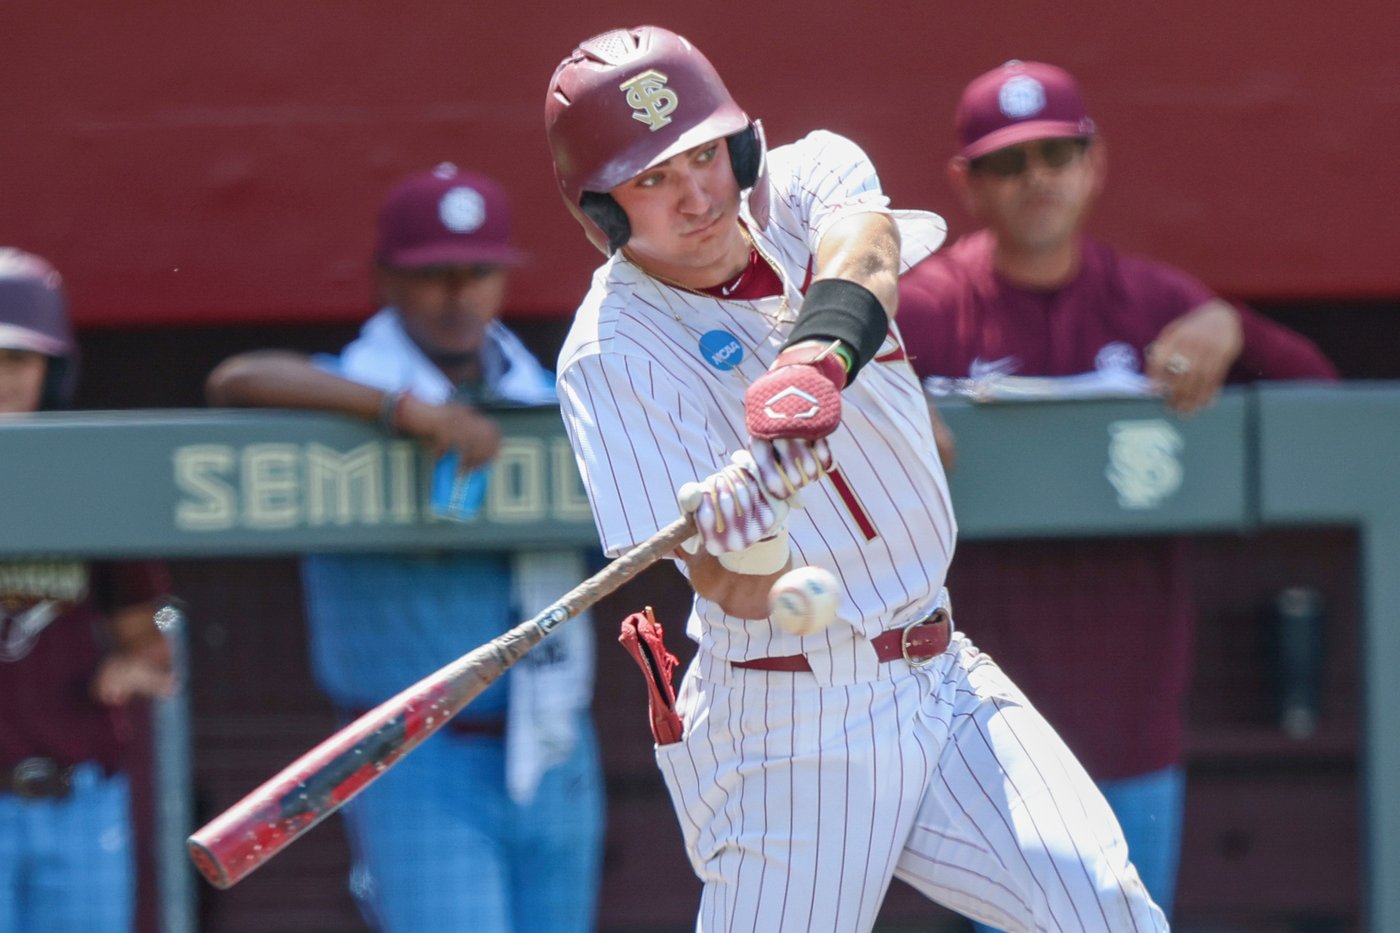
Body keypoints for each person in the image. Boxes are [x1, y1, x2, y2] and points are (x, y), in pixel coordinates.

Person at [545, 26, 1167, 932]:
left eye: (707, 156)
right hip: (791, 720)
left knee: (1106, 908)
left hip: (940, 670)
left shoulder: (804, 179)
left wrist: (814, 368)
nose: (698, 194)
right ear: (598, 210)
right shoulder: (611, 353)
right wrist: (753, 514)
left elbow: (865, 257)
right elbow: (731, 586)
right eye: (653, 180)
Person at [898, 60, 1339, 927]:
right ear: (967, 183)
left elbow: (1323, 409)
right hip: (984, 737)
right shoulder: (927, 307)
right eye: (1007, 162)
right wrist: (879, 387)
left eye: (1056, 154)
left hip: (1133, 730)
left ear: (1093, 163)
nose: (1036, 179)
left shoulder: (1151, 300)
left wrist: (1232, 324)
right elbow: (809, 397)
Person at [203, 165, 604, 933]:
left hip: (554, 733)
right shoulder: (354, 388)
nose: (459, 296)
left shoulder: (547, 395)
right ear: (386, 280)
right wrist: (405, 411)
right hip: (412, 753)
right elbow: (238, 378)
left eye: (479, 272)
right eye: (433, 276)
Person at [0, 247, 175, 933]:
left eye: (17, 360)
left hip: (78, 799)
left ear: (52, 369)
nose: (1, 379)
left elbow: (156, 643)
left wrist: (136, 663)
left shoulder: (91, 481)